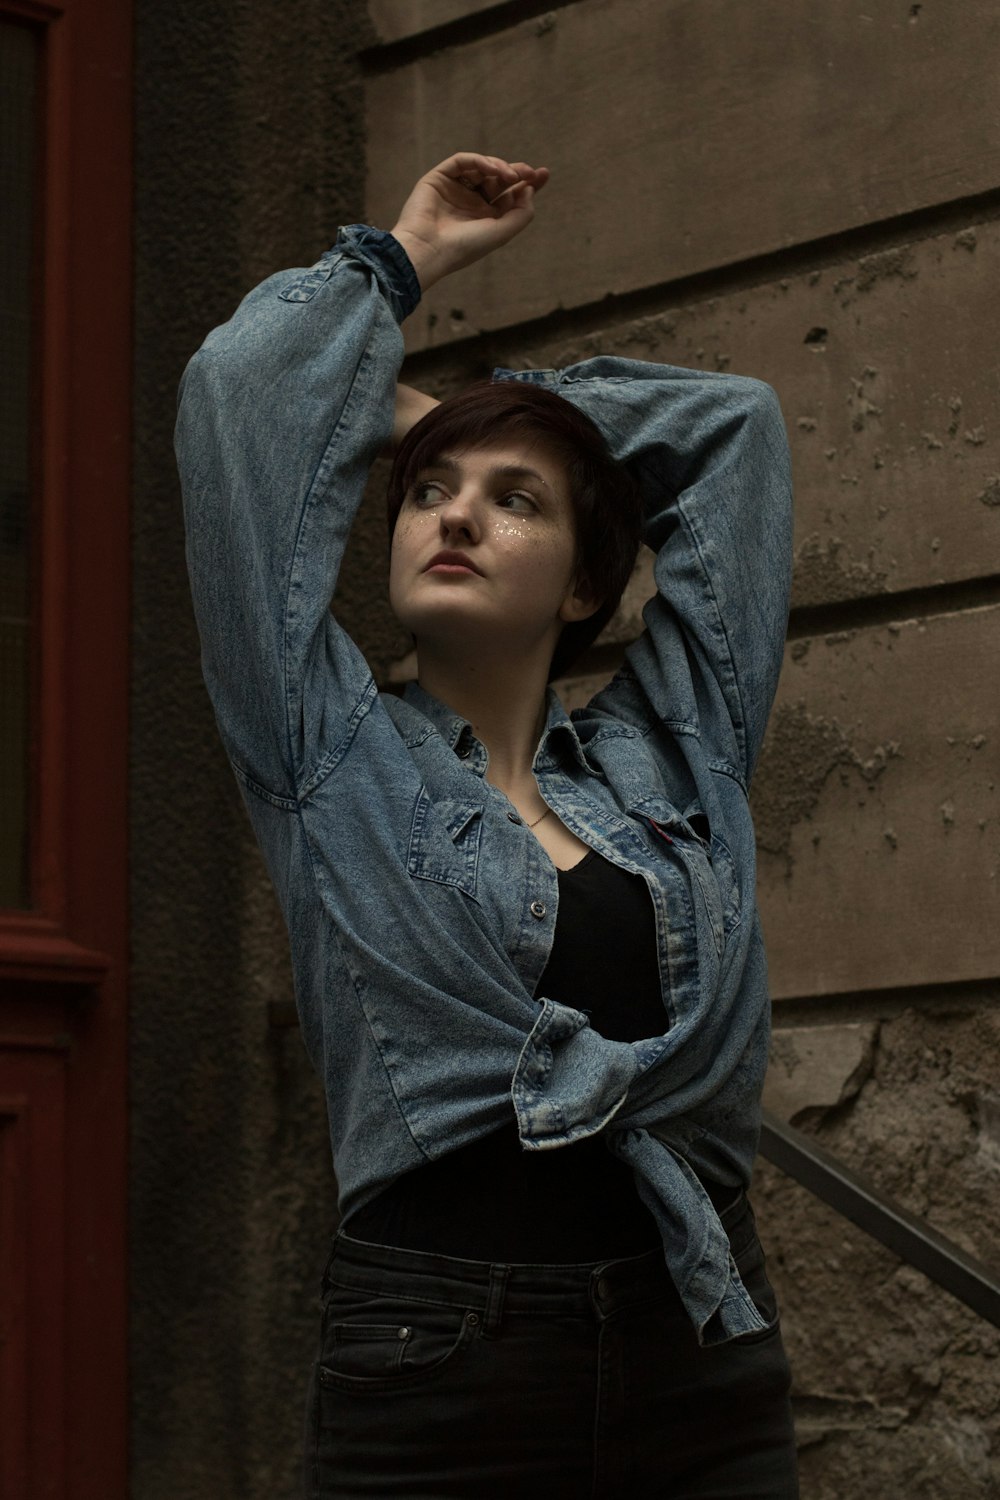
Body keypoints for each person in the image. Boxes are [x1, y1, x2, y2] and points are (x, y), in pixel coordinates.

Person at [177, 152, 798, 1499]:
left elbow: (734, 429)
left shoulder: (675, 754)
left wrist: (469, 413)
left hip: (701, 1352)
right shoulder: (328, 753)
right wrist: (404, 262)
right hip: (438, 1368)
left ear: (587, 581)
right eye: (425, 488)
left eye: (514, 498)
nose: (453, 508)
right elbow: (243, 400)